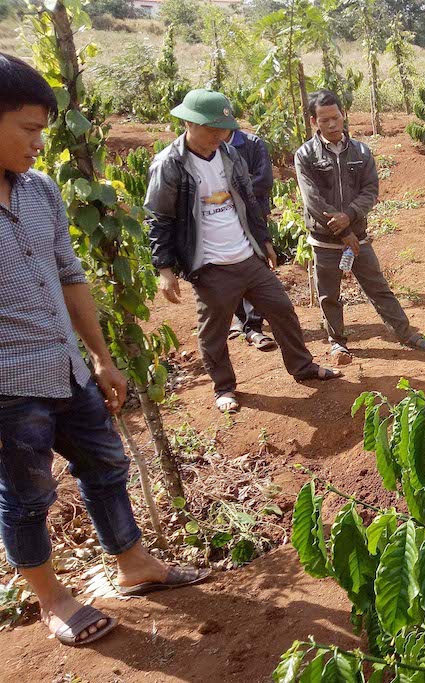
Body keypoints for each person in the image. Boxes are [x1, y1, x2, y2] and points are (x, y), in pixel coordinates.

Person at [0, 53, 208, 648]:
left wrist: (100, 356)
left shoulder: (39, 191)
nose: (41, 143)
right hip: (10, 387)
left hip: (67, 366)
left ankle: (134, 564)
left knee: (106, 465)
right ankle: (52, 599)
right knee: (28, 494)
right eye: (29, 129)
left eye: (45, 129)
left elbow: (70, 276)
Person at [145, 89, 341, 414]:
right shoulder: (170, 164)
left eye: (224, 129)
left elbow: (249, 200)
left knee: (282, 310)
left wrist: (264, 240)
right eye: (212, 130)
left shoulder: (228, 155)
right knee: (214, 332)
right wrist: (164, 268)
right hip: (208, 265)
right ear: (188, 123)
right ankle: (224, 387)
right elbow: (159, 218)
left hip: (247, 255)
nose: (220, 136)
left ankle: (302, 366)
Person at [295, 90, 425, 366]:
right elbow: (312, 200)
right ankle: (337, 343)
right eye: (324, 120)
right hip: (326, 240)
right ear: (313, 122)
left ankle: (405, 334)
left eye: (335, 118)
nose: (332, 125)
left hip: (358, 237)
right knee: (329, 295)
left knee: (379, 288)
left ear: (343, 115)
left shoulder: (360, 151)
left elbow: (370, 190)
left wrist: (351, 215)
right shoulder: (306, 155)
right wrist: (342, 231)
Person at [227, 129, 278, 350]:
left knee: (255, 262)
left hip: (252, 214)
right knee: (230, 265)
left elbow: (264, 180)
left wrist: (234, 193)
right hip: (224, 217)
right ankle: (241, 320)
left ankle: (254, 325)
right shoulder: (210, 147)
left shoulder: (252, 143)